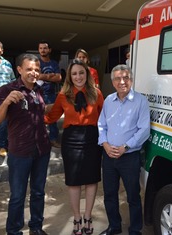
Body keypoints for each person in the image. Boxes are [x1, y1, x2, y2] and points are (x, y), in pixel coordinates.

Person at [0, 53, 51, 235]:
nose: (34, 73)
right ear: (19, 70)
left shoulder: (38, 90)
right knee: (17, 196)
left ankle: (36, 227)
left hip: (41, 149)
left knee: (38, 193)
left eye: (37, 69)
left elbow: (40, 114)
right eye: (29, 69)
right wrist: (7, 102)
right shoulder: (7, 89)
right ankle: (14, 231)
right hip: (20, 152)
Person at [45, 59, 104, 235]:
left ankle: (88, 216)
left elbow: (104, 118)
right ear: (70, 77)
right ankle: (77, 217)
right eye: (74, 74)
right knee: (74, 181)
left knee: (92, 179)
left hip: (92, 139)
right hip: (71, 140)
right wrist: (31, 119)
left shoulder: (97, 93)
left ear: (87, 74)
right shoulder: (63, 95)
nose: (78, 77)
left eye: (81, 73)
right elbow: (52, 117)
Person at [97, 64, 150, 235]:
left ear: (131, 80)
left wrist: (125, 147)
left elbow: (144, 130)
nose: (122, 82)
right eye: (118, 78)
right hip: (109, 156)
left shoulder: (140, 101)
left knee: (133, 196)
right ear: (112, 82)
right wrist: (105, 144)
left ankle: (135, 229)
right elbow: (101, 125)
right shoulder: (108, 101)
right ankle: (114, 226)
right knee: (110, 195)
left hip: (129, 157)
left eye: (126, 78)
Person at [37, 40, 62, 148]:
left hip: (51, 94)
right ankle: (40, 140)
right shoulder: (36, 63)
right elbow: (35, 76)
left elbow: (59, 77)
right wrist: (49, 76)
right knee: (37, 118)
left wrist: (42, 76)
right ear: (38, 50)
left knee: (52, 118)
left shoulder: (54, 63)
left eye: (45, 48)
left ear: (49, 50)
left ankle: (53, 139)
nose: (43, 50)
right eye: (41, 48)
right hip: (38, 94)